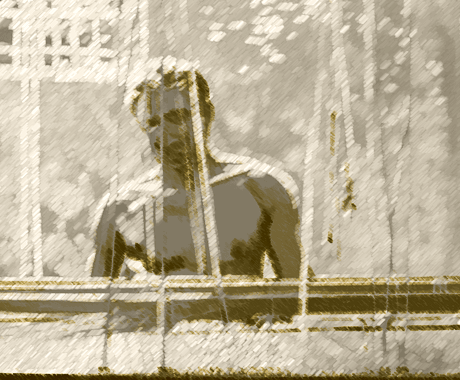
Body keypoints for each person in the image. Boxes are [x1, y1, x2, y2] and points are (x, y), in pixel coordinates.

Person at [90, 59, 303, 280]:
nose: (164, 133)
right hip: (160, 315)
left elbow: (299, 294)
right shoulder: (121, 208)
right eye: (153, 123)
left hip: (240, 315)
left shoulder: (260, 188)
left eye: (176, 117)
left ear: (206, 116)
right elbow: (93, 305)